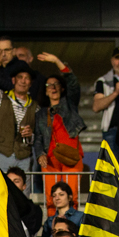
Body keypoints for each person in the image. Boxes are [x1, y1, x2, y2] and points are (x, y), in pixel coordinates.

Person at [34, 54, 84, 210]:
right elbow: (38, 138)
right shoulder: (41, 114)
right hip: (50, 161)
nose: (53, 87)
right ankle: (53, 229)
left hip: (71, 156)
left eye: (56, 84)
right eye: (49, 85)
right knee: (51, 198)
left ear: (62, 88)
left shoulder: (70, 105)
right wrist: (40, 154)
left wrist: (57, 61)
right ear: (46, 91)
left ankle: (71, 229)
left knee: (71, 197)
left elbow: (73, 84)